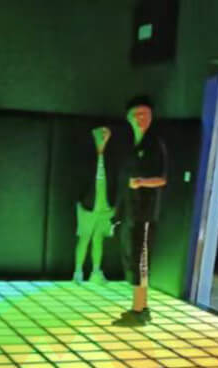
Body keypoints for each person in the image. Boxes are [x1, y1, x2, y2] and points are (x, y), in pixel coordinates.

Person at [113, 95, 167, 326]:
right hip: (130, 212)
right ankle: (140, 306)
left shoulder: (155, 144)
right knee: (132, 258)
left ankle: (139, 310)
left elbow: (162, 179)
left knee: (140, 260)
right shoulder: (130, 145)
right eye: (136, 114)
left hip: (145, 213)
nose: (140, 119)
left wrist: (142, 182)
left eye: (145, 114)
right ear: (129, 118)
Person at [73, 125, 116, 283]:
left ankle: (96, 271)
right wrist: (81, 199)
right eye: (101, 133)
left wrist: (114, 204)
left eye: (106, 133)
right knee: (85, 237)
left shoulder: (111, 155)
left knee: (98, 239)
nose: (104, 136)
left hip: (105, 205)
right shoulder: (87, 153)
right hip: (88, 204)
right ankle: (78, 272)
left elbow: (116, 178)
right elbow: (78, 178)